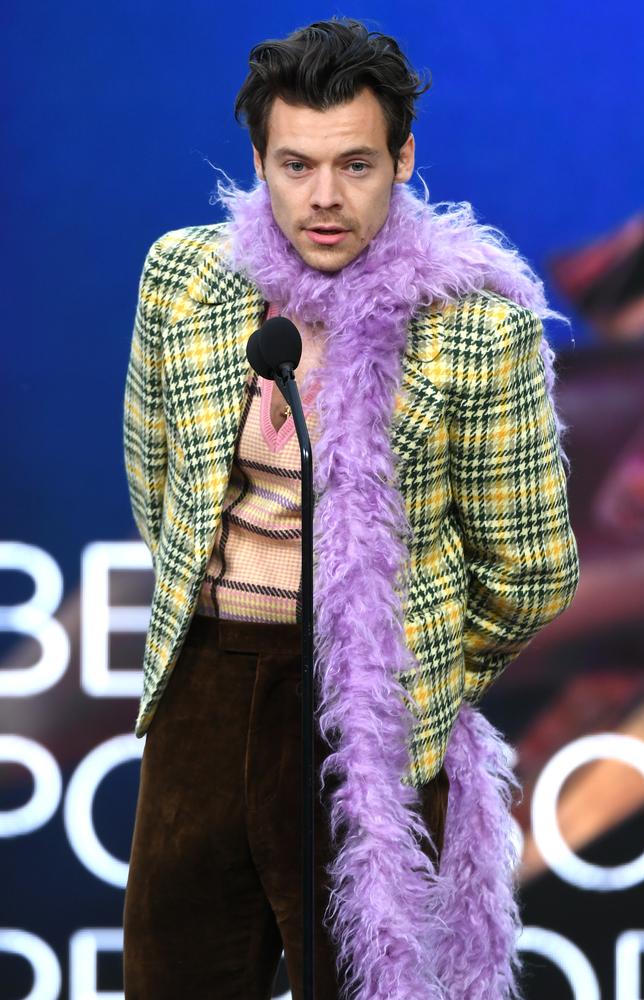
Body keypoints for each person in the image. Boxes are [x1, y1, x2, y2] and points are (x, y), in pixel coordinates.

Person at [122, 17, 580, 1000]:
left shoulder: (475, 323)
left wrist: (404, 671)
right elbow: (157, 487)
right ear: (257, 160)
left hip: (366, 715)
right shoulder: (182, 278)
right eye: (294, 165)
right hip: (203, 682)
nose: (323, 198)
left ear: (402, 157)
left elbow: (533, 570)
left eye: (354, 165)